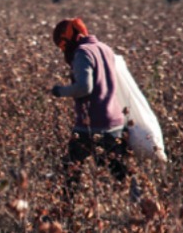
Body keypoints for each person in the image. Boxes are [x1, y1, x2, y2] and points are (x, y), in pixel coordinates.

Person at [50, 18, 129, 198]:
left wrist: (60, 91)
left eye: (62, 45)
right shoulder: (105, 48)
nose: (63, 50)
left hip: (91, 124)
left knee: (70, 172)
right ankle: (140, 210)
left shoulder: (82, 53)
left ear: (70, 39)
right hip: (115, 122)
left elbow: (85, 87)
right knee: (120, 174)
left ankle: (64, 213)